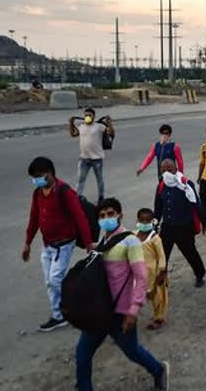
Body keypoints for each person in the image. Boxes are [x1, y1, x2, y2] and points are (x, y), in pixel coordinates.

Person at [75, 198, 169, 391]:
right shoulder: (104, 241)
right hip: (99, 310)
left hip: (120, 311)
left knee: (132, 351)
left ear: (120, 216)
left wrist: (133, 310)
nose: (106, 218)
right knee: (82, 354)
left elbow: (141, 277)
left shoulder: (130, 241)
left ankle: (159, 370)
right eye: (102, 216)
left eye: (110, 214)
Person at [23, 156, 95, 332]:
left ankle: (74, 306)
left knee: (56, 279)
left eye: (39, 176)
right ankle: (58, 315)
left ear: (49, 173)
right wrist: (27, 243)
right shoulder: (38, 193)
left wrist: (88, 243)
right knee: (50, 281)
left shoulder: (64, 191)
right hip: (47, 245)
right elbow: (34, 218)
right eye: (34, 177)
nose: (36, 180)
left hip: (64, 244)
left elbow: (80, 217)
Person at [154, 159, 206, 288]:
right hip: (167, 227)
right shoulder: (161, 186)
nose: (167, 173)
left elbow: (196, 205)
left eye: (169, 170)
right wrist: (153, 225)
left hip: (184, 227)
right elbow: (158, 208)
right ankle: (162, 279)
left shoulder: (185, 184)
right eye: (164, 171)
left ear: (176, 169)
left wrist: (205, 224)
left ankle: (200, 274)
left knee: (190, 253)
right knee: (162, 255)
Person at [69, 107, 114, 203]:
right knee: (80, 180)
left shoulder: (99, 126)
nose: (87, 117)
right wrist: (71, 123)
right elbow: (73, 134)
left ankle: (101, 197)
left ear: (94, 116)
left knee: (99, 180)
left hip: (97, 159)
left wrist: (109, 123)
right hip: (84, 159)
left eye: (89, 115)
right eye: (86, 115)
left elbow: (111, 132)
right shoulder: (81, 126)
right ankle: (78, 198)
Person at [134, 208, 168, 330]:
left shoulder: (155, 238)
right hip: (138, 271)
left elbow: (161, 255)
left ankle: (159, 317)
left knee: (157, 295)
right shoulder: (134, 235)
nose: (144, 223)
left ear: (152, 221)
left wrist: (162, 271)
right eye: (142, 220)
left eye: (147, 221)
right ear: (137, 221)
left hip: (153, 272)